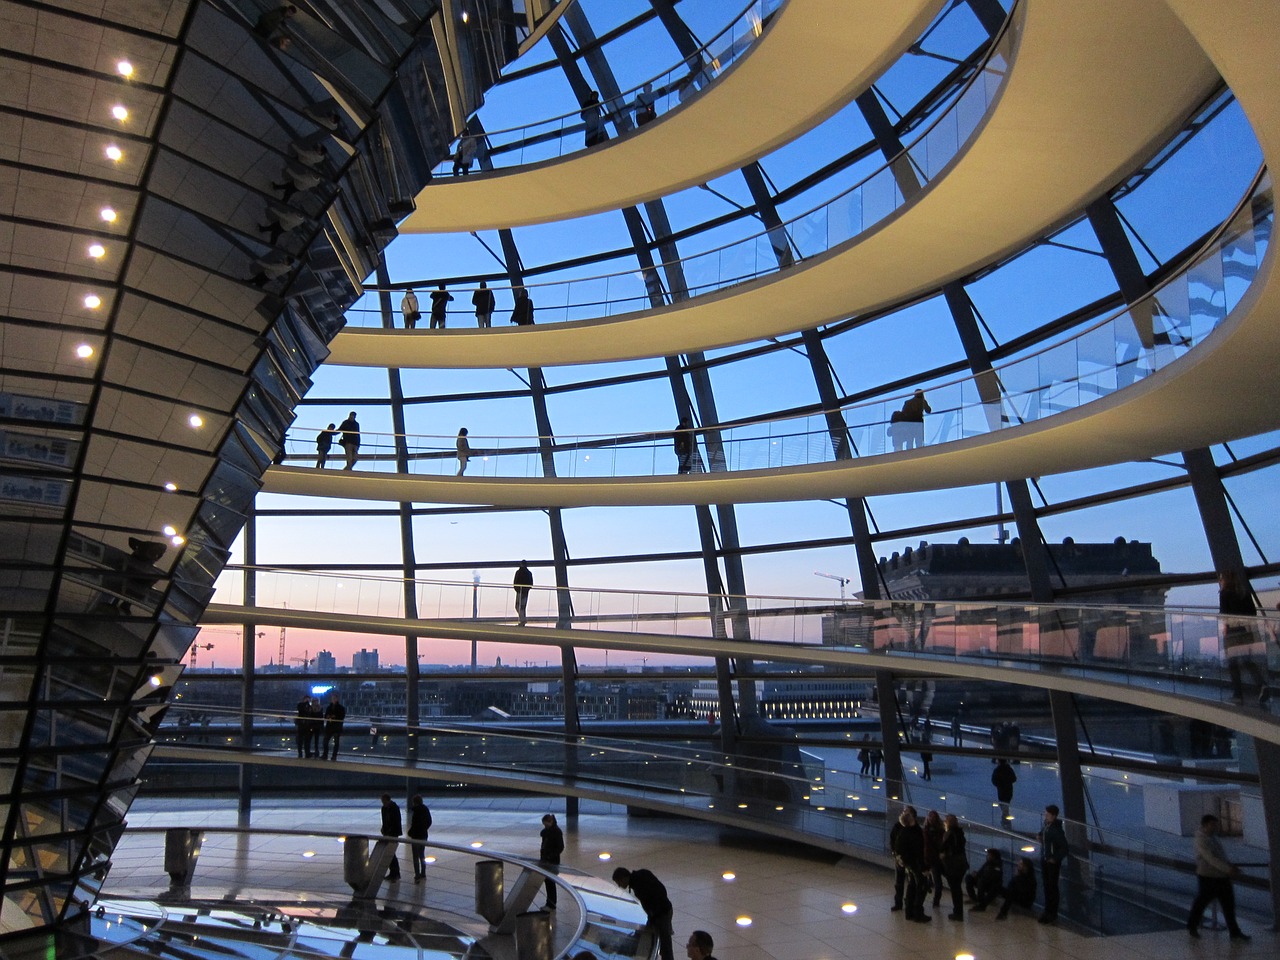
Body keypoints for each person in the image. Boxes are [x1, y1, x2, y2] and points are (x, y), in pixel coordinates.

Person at [1187, 814, 1251, 940]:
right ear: (1205, 825)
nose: (1215, 827)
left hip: (1220, 876)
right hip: (1208, 877)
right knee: (1202, 903)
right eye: (1213, 824)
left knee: (1227, 904)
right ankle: (1192, 926)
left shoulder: (1213, 838)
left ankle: (1234, 931)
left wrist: (1229, 866)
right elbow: (1210, 858)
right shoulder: (1201, 839)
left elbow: (1220, 856)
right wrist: (1228, 869)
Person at [1219, 569, 1273, 704]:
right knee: (1247, 661)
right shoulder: (1244, 593)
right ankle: (1262, 685)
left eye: (1221, 579)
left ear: (1225, 580)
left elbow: (1224, 615)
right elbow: (1252, 613)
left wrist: (1225, 630)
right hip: (1246, 632)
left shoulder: (1225, 594)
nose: (1220, 581)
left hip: (1233, 633)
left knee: (1233, 664)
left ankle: (1238, 694)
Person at [612, 867, 674, 960]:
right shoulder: (640, 877)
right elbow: (660, 890)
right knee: (661, 941)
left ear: (623, 878)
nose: (620, 886)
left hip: (660, 914)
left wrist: (654, 913)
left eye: (619, 882)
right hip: (660, 913)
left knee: (664, 944)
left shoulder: (639, 883)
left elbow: (656, 895)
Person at [893, 807, 929, 922]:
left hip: (909, 864)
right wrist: (923, 867)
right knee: (920, 887)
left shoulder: (903, 832)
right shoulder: (914, 833)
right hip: (916, 864)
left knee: (912, 886)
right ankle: (918, 913)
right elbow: (918, 851)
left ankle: (909, 912)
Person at [1038, 803, 1068, 924]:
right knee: (1047, 886)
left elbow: (1064, 848)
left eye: (1048, 814)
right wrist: (1040, 836)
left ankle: (1051, 913)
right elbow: (1043, 834)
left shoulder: (1056, 830)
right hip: (1046, 860)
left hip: (1051, 862)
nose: (1045, 816)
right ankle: (1047, 911)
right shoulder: (1047, 826)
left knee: (1052, 887)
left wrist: (1054, 858)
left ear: (1054, 816)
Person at [939, 813, 969, 920]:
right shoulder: (960, 833)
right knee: (957, 888)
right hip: (961, 864)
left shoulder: (949, 834)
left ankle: (957, 912)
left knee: (954, 889)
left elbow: (943, 847)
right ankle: (958, 911)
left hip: (952, 865)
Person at [539, 813, 564, 909]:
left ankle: (551, 903)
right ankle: (550, 902)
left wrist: (550, 856)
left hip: (551, 861)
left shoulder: (556, 832)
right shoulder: (548, 832)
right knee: (548, 882)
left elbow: (560, 847)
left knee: (550, 882)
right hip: (546, 860)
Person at [407, 794, 432, 883]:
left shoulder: (416, 811)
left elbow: (414, 824)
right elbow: (429, 822)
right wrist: (424, 829)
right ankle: (423, 872)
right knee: (422, 854)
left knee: (415, 856)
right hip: (423, 835)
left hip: (416, 836)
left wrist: (410, 832)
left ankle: (417, 874)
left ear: (414, 802)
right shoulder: (425, 809)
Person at [922, 810, 944, 911]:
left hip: (932, 858)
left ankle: (935, 900)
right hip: (932, 858)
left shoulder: (926, 830)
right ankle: (935, 900)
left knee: (936, 879)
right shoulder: (938, 830)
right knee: (936, 880)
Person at [379, 794, 402, 881]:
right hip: (387, 833)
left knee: (391, 853)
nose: (383, 803)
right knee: (390, 853)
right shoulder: (385, 808)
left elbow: (395, 822)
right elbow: (384, 821)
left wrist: (390, 831)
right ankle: (394, 873)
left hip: (392, 834)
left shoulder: (394, 808)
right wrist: (384, 829)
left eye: (384, 801)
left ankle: (395, 873)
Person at [322, 692, 346, 760]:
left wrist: (332, 717)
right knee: (326, 741)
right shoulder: (329, 707)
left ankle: (332, 755)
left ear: (337, 699)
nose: (333, 699)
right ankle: (326, 755)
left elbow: (341, 717)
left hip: (335, 727)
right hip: (331, 727)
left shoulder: (340, 708)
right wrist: (330, 716)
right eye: (332, 698)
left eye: (334, 698)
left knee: (335, 742)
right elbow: (326, 716)